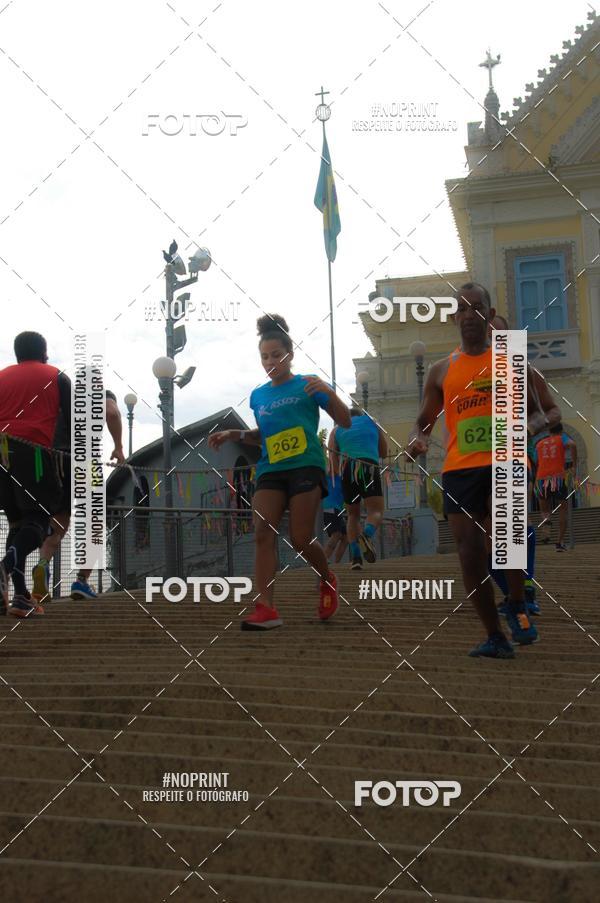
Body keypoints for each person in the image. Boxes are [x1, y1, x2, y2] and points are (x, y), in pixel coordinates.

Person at [407, 283, 555, 659]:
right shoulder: (442, 370)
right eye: (462, 308)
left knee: (504, 535)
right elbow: (423, 422)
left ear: (490, 316)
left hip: (506, 460)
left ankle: (518, 604)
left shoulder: (514, 361)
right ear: (455, 317)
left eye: (477, 308)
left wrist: (529, 427)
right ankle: (495, 637)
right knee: (469, 554)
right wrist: (418, 440)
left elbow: (551, 411)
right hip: (460, 468)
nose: (469, 315)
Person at [208, 314, 351, 630]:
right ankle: (266, 608)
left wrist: (328, 390)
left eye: (276, 355)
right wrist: (235, 435)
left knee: (300, 538)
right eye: (264, 356)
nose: (270, 361)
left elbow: (345, 421)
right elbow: (265, 434)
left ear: (290, 354)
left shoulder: (308, 384)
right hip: (270, 468)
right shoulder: (259, 395)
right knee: (262, 532)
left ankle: (327, 579)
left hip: (305, 465)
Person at [484, 314, 561, 617]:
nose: (492, 337)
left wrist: (530, 427)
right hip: (474, 460)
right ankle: (515, 592)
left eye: (498, 333)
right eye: (488, 333)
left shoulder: (525, 370)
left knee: (511, 524)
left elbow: (553, 412)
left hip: (515, 451)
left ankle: (524, 591)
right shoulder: (464, 371)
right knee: (485, 537)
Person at [31, 390, 125, 603]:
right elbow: (112, 413)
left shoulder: (63, 400)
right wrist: (118, 447)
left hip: (56, 460)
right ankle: (81, 581)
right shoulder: (103, 395)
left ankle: (43, 567)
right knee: (94, 523)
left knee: (58, 522)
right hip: (87, 464)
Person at [0, 332, 69, 617]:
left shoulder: (2, 376)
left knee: (17, 523)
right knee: (39, 521)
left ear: (17, 354)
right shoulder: (56, 375)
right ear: (44, 352)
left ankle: (20, 597)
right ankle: (4, 567)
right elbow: (76, 421)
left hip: (1, 454)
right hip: (35, 455)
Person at [329, 408, 388, 570]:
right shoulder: (372, 422)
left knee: (352, 515)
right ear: (360, 416)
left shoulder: (336, 429)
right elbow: (384, 452)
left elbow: (332, 458)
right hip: (368, 466)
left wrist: (339, 475)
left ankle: (356, 557)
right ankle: (367, 535)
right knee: (375, 511)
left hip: (347, 468)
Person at [535, 423, 577, 552]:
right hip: (557, 478)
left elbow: (537, 461)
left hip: (541, 478)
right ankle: (559, 543)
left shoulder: (540, 443)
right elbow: (573, 445)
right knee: (563, 510)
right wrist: (574, 465)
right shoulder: (562, 438)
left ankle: (546, 525)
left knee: (545, 510)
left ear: (549, 431)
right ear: (561, 431)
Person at [322, 470, 348, 564]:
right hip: (329, 507)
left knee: (346, 537)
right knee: (336, 534)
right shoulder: (331, 474)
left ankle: (337, 563)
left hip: (338, 510)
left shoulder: (344, 479)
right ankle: (323, 560)